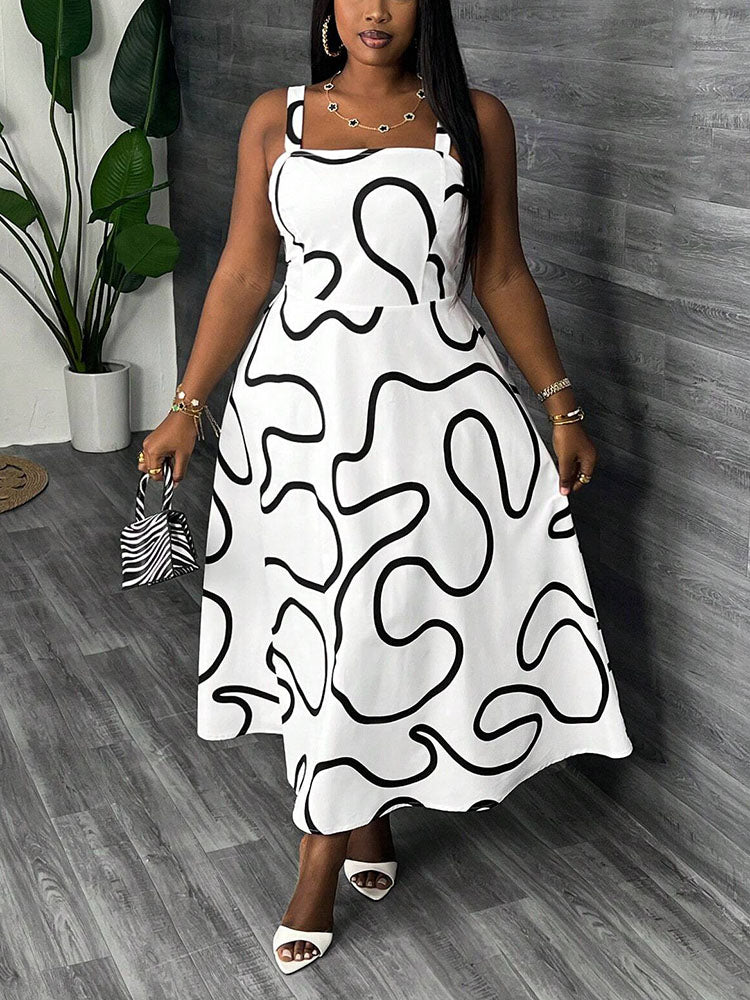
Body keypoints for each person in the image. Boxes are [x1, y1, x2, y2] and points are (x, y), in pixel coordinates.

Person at [138, 0, 634, 977]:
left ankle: (318, 855)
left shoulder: (475, 120)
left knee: (388, 615)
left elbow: (500, 272)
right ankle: (358, 819)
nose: (376, 10)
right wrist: (188, 403)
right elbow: (244, 271)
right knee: (326, 625)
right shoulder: (275, 118)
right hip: (298, 419)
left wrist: (562, 404)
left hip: (435, 420)